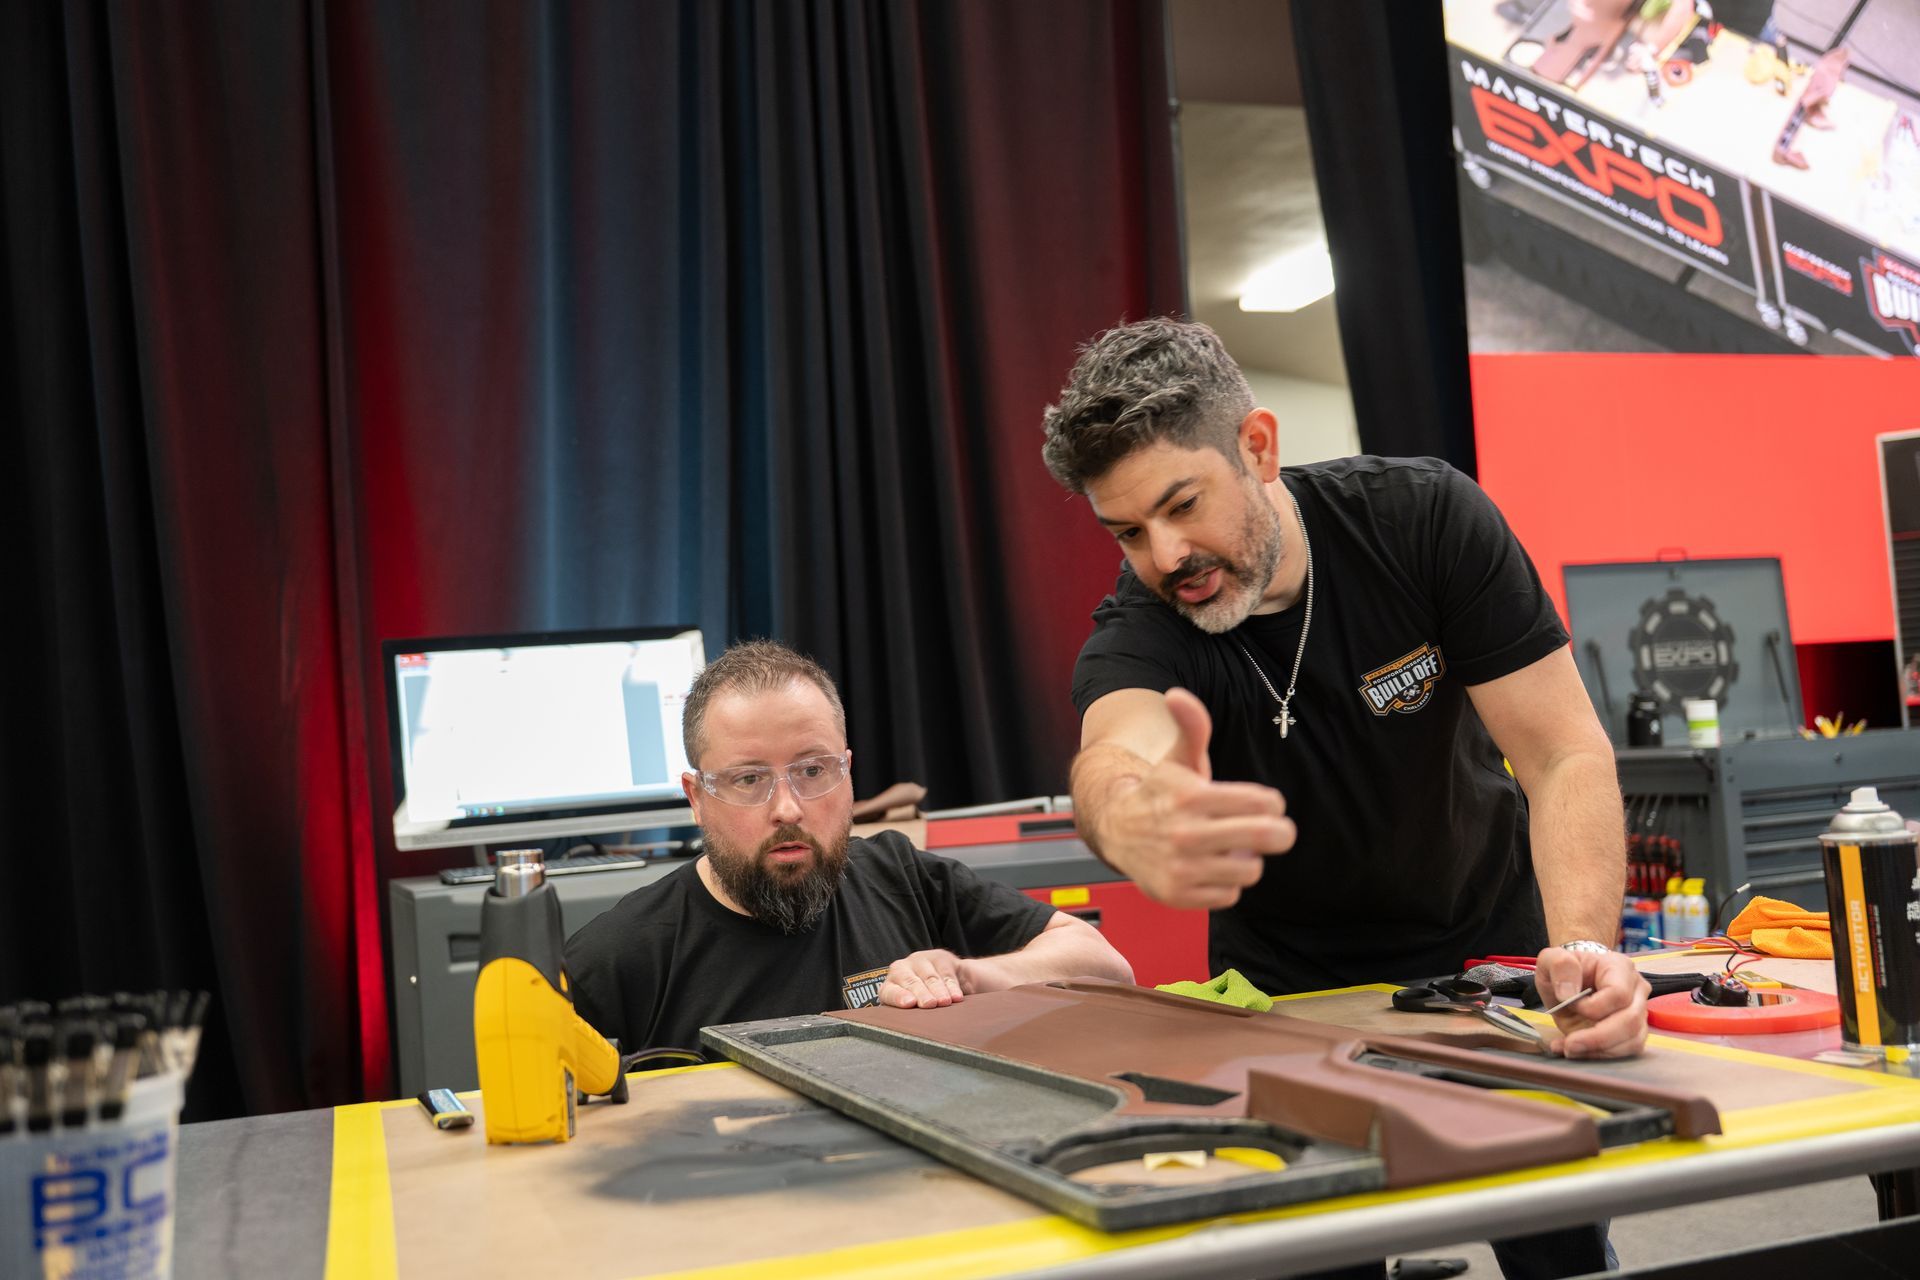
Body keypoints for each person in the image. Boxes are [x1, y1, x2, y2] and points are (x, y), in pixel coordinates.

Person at [1041, 318, 1645, 1280]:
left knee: (1558, 1247)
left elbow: (1563, 754)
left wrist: (1584, 953)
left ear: (1258, 447)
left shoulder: (1423, 520)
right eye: (1126, 533)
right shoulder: (1146, 626)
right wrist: (1128, 814)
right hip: (1291, 999)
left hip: (1490, 961)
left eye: (1181, 505)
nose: (1164, 556)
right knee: (1321, 1261)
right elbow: (1117, 750)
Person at [564, 639, 1132, 1057]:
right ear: (697, 797)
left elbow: (1108, 968)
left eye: (813, 771)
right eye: (748, 780)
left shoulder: (901, 878)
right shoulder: (616, 960)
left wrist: (971, 976)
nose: (787, 807)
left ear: (849, 773)